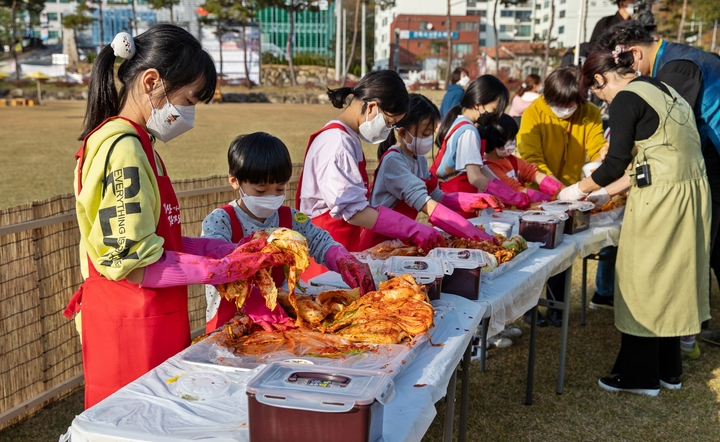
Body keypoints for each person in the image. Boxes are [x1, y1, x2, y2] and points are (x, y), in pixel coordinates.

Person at [63, 26, 254, 408]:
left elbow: (159, 240)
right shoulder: (123, 149)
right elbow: (133, 262)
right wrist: (215, 270)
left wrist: (216, 249)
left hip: (153, 322)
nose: (189, 113)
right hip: (128, 330)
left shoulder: (142, 145)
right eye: (187, 100)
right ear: (152, 81)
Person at [559, 49, 710, 395]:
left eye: (597, 93)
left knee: (641, 278)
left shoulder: (626, 99)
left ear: (600, 80)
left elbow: (614, 163)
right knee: (672, 277)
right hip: (689, 190)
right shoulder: (661, 88)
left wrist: (576, 190)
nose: (602, 100)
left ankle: (639, 377)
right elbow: (652, 157)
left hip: (662, 198)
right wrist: (604, 193)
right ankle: (669, 371)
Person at [597, 21, 720, 356]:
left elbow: (670, 134)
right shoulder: (675, 59)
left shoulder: (675, 69)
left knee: (693, 250)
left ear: (635, 53)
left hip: (705, 164)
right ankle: (686, 333)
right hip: (702, 163)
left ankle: (684, 333)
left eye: (625, 65)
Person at [202, 132, 375, 334]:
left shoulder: (291, 219)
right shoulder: (221, 221)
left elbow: (320, 242)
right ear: (235, 181)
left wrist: (342, 259)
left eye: (279, 189)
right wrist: (255, 300)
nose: (271, 197)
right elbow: (215, 267)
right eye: (260, 190)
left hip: (280, 318)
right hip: (230, 322)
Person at [297, 70, 445, 279]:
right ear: (373, 107)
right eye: (389, 123)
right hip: (324, 257)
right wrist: (411, 228)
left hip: (340, 249)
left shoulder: (348, 138)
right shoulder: (337, 143)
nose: (389, 130)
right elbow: (355, 211)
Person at [517, 66, 606, 326]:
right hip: (538, 194)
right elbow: (531, 159)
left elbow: (597, 146)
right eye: (560, 104)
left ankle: (557, 306)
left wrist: (603, 159)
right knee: (534, 254)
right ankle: (529, 308)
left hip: (573, 195)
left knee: (564, 252)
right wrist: (557, 190)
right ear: (548, 97)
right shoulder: (534, 113)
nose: (566, 110)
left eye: (572, 104)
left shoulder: (590, 113)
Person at [361, 93, 501, 250]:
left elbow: (438, 198)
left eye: (431, 133)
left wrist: (472, 201)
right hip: (379, 243)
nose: (428, 139)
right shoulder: (394, 161)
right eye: (424, 134)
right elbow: (426, 204)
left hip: (401, 240)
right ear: (402, 133)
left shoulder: (419, 159)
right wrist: (470, 231)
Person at [431, 75, 531, 214]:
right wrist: (510, 196)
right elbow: (475, 177)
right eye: (494, 109)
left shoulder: (458, 123)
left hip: (452, 202)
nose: (495, 116)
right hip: (459, 205)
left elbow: (481, 170)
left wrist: (506, 189)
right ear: (478, 104)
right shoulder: (469, 132)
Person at [481, 114, 565, 201]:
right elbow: (516, 191)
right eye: (509, 139)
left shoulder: (511, 159)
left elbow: (533, 173)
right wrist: (551, 199)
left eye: (513, 138)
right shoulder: (488, 168)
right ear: (494, 142)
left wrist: (562, 190)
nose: (513, 142)